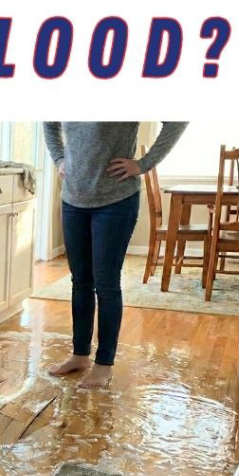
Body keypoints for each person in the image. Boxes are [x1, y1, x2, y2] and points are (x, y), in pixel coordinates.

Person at [43, 122, 188, 388]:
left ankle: (103, 364)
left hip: (116, 201)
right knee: (80, 282)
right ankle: (80, 355)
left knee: (106, 284)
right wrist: (59, 158)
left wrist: (143, 164)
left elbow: (178, 120)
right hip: (73, 200)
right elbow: (49, 124)